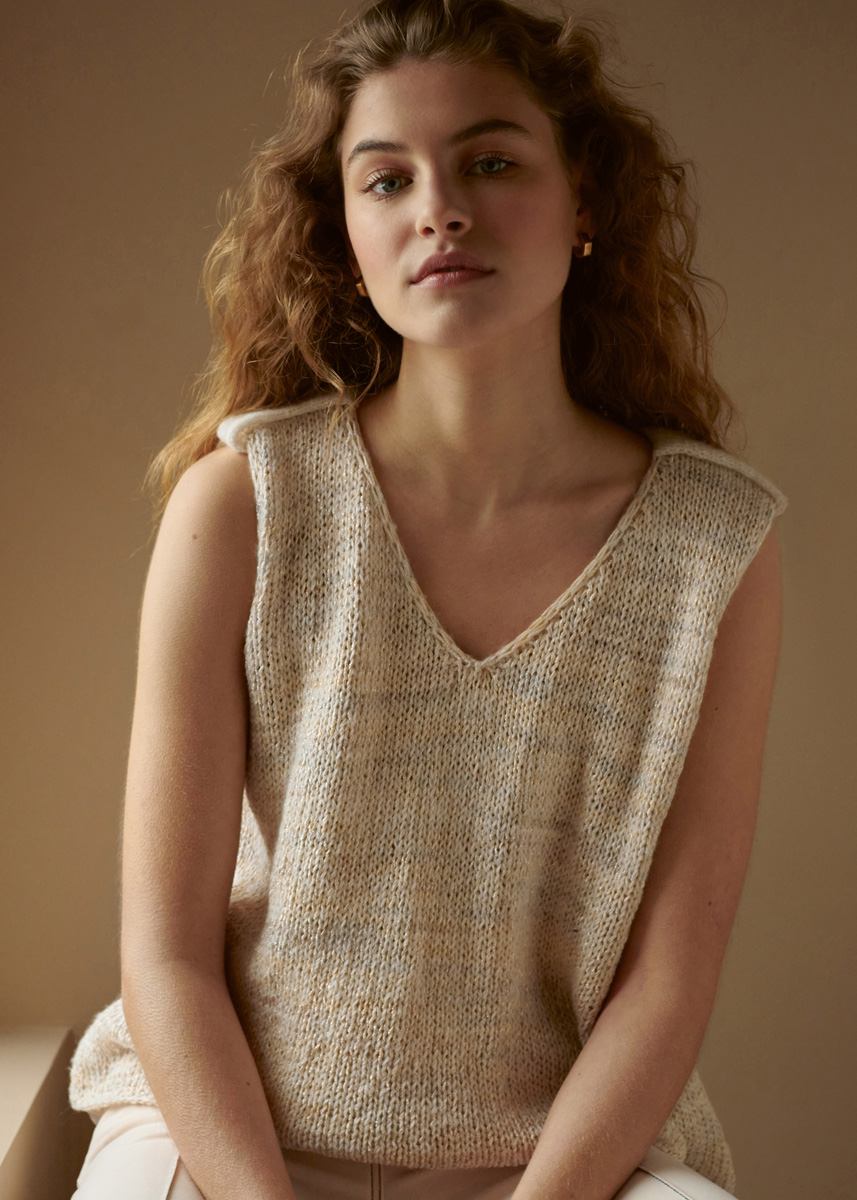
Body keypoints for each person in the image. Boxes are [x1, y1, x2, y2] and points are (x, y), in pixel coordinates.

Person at [67, 1, 788, 1198]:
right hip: (224, 1131)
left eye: (489, 162)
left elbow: (667, 980)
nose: (438, 209)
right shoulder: (243, 502)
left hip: (550, 1159)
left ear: (585, 200)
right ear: (345, 234)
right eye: (386, 180)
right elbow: (167, 957)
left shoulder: (712, 544)